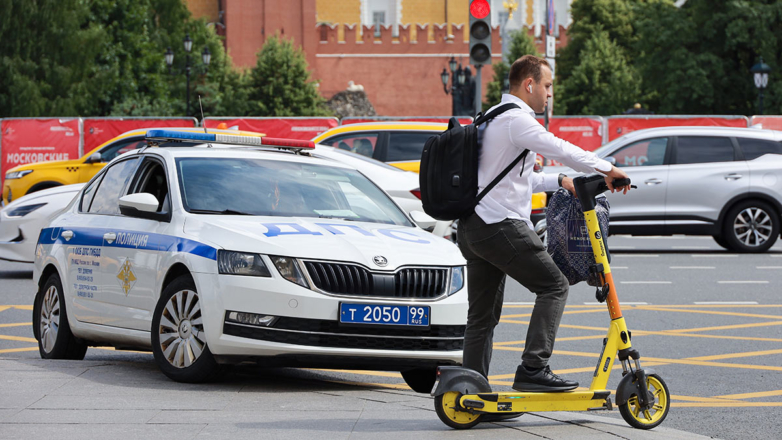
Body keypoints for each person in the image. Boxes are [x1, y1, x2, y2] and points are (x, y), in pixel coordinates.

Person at [457, 55, 631, 392]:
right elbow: (561, 147)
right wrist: (607, 169)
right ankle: (533, 369)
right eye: (548, 86)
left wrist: (561, 181)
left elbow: (518, 181)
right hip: (499, 226)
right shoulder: (518, 120)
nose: (550, 94)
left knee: (481, 318)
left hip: (473, 227)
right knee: (554, 285)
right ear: (530, 84)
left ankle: (470, 390)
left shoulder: (492, 117)